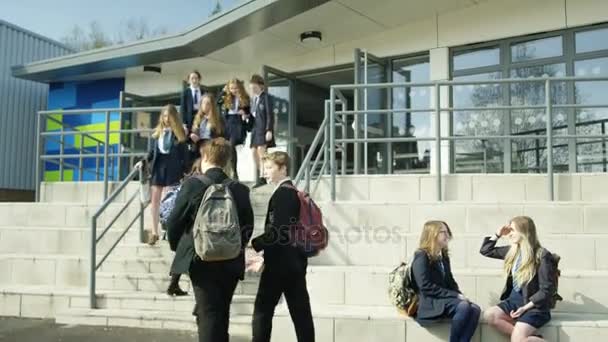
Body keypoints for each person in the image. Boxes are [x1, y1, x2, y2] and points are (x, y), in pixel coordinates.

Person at [165, 138, 254, 342]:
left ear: (205, 157)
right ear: (227, 160)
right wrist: (233, 246)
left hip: (200, 257)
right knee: (221, 312)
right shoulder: (240, 189)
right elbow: (248, 226)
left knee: (208, 313)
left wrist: (177, 247)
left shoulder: (193, 185)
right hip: (231, 260)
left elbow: (174, 222)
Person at [251, 151, 315, 342]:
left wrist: (254, 244)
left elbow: (279, 231)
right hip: (293, 262)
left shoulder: (284, 194)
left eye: (270, 168)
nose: (265, 172)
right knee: (300, 312)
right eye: (265, 168)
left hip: (280, 264)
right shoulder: (291, 192)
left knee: (262, 310)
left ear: (283, 168)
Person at [481, 216, 557, 342]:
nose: (509, 234)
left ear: (524, 232)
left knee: (517, 340)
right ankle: (526, 338)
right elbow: (486, 250)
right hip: (514, 301)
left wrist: (525, 308)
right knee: (490, 315)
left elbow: (546, 289)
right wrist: (497, 234)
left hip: (534, 306)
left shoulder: (542, 255)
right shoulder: (513, 251)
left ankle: (522, 338)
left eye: (513, 230)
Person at [411, 221, 480, 342]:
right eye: (443, 232)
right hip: (431, 302)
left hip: (444, 300)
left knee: (475, 309)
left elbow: (450, 281)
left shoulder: (443, 256)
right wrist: (456, 296)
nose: (447, 235)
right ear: (432, 234)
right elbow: (425, 286)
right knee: (464, 306)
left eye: (447, 231)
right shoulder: (421, 256)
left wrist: (460, 295)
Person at [136, 104, 187, 246]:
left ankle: (169, 230)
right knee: (155, 201)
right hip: (159, 167)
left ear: (174, 117)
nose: (166, 119)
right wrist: (143, 161)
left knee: (170, 201)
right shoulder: (157, 132)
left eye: (169, 116)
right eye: (164, 116)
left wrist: (185, 170)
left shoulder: (179, 132)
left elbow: (184, 154)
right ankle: (154, 232)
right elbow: (152, 152)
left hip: (173, 168)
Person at [218, 78, 251, 180]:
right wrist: (223, 91)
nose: (234, 90)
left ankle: (235, 172)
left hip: (238, 123)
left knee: (231, 145)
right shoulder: (226, 97)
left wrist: (245, 113)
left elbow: (249, 112)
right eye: (231, 88)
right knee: (226, 148)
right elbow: (216, 102)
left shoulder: (245, 97)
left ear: (239, 88)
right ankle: (227, 171)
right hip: (227, 122)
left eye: (235, 88)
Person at [248, 74, 275, 188]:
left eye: (254, 87)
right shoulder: (254, 100)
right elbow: (253, 115)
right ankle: (262, 173)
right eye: (251, 88)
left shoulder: (266, 98)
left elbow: (270, 115)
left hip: (263, 129)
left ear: (260, 86)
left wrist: (269, 130)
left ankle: (263, 177)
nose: (253, 89)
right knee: (254, 153)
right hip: (255, 130)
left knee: (261, 152)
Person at [189, 93, 225, 160]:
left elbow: (222, 136)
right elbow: (192, 134)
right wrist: (192, 136)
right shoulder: (197, 118)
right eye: (203, 103)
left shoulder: (218, 119)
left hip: (212, 149)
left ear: (212, 105)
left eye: (208, 103)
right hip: (198, 150)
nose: (205, 105)